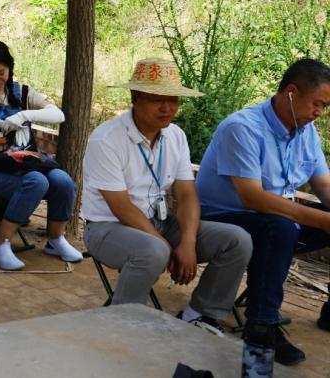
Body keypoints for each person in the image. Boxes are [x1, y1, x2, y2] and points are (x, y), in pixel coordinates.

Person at [82, 57, 252, 337]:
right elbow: (121, 206)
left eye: (173, 99)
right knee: (153, 251)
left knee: (237, 240)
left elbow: (187, 194)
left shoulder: (176, 136)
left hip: (159, 223)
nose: (168, 108)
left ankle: (200, 315)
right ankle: (121, 323)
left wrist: (187, 243)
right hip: (107, 228)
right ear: (135, 97)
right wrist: (166, 245)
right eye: (156, 99)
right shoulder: (106, 139)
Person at [196, 58, 330, 364]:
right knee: (278, 227)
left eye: (325, 107)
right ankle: (261, 326)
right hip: (222, 218)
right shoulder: (242, 128)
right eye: (317, 104)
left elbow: (324, 185)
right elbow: (254, 199)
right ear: (292, 93)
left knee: (282, 224)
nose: (319, 113)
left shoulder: (307, 132)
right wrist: (323, 220)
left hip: (274, 217)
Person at [0, 40, 81, 270]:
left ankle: (56, 239)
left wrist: (24, 115)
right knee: (36, 182)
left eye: (1, 73)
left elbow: (58, 115)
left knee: (63, 181)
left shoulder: (21, 91)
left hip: (24, 162)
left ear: (10, 68)